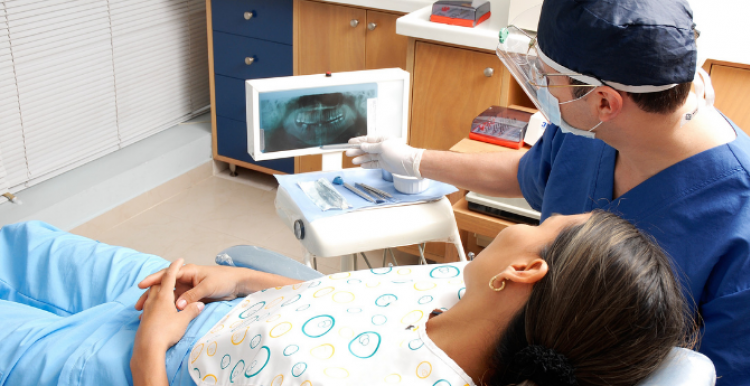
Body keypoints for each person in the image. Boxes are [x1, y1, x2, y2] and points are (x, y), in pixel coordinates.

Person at [346, 0, 750, 383]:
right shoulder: (589, 131)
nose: (541, 92)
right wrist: (414, 160)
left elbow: (713, 373)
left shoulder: (738, 217)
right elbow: (529, 174)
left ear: (604, 101)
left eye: (546, 79)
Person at [0, 212, 693, 386]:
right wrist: (234, 280)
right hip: (192, 295)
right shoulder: (460, 288)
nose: (527, 220)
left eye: (546, 222)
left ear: (528, 269)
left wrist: (151, 345)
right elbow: (342, 298)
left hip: (148, 363)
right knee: (25, 243)